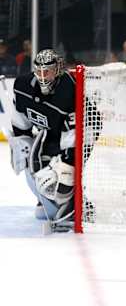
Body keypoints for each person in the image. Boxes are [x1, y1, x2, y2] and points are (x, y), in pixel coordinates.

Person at [8, 49, 76, 225]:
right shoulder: (23, 86)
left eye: (48, 71)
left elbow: (73, 132)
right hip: (49, 134)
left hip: (77, 135)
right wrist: (21, 142)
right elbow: (20, 120)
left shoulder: (69, 88)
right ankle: (45, 199)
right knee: (32, 161)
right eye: (39, 71)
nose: (43, 76)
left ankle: (76, 201)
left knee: (66, 172)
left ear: (58, 69)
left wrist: (68, 162)